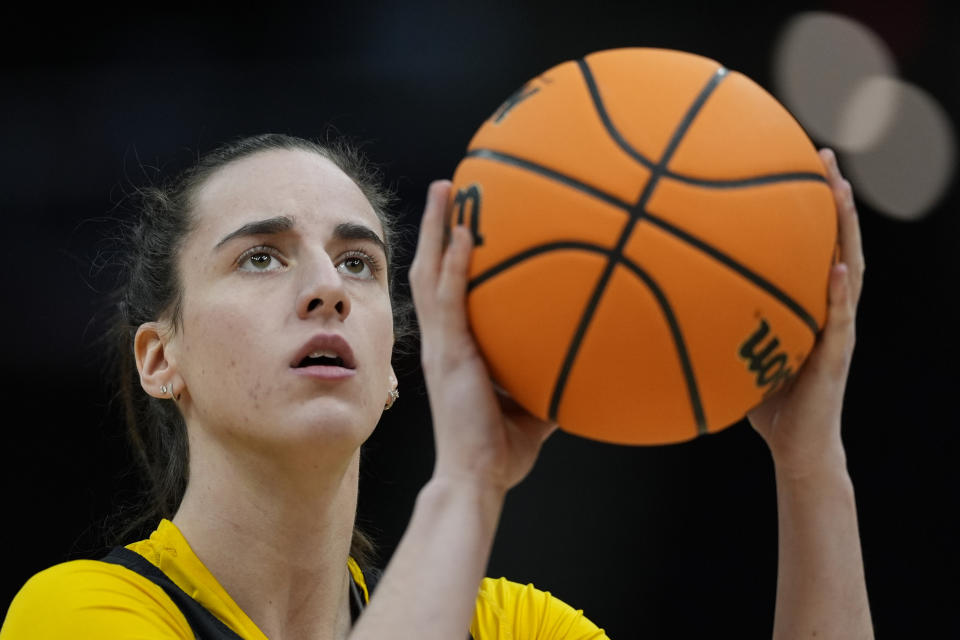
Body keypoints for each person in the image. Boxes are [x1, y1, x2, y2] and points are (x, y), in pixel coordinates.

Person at [0, 133, 872, 639]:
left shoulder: (508, 629)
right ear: (162, 358)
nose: (328, 287)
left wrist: (809, 463)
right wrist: (467, 482)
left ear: (390, 371)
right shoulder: (80, 612)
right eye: (260, 257)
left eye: (359, 262)